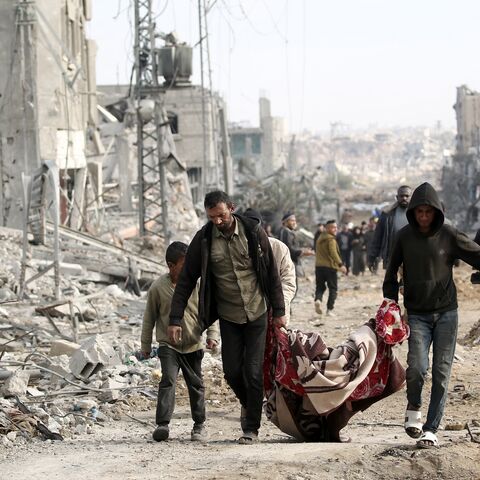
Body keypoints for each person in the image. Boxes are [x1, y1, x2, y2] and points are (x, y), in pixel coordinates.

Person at [168, 191, 286, 445]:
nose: (218, 221)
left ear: (231, 208)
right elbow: (187, 278)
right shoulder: (204, 239)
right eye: (212, 217)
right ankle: (249, 402)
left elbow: (271, 273)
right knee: (232, 372)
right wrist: (175, 318)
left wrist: (280, 312)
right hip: (229, 315)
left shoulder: (253, 232)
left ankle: (251, 428)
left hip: (257, 312)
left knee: (253, 372)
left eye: (221, 215)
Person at [383, 182, 480, 449]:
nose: (424, 217)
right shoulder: (404, 237)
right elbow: (391, 272)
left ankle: (431, 429)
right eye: (419, 212)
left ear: (436, 212)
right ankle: (413, 406)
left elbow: (476, 255)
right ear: (413, 212)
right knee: (417, 368)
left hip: (447, 313)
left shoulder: (449, 234)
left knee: (441, 372)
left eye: (428, 212)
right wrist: (389, 303)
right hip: (417, 314)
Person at [140, 241, 219, 442]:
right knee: (168, 381)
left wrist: (211, 336)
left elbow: (209, 312)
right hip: (169, 345)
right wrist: (146, 346)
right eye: (184, 265)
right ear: (171, 265)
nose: (189, 269)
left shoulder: (198, 284)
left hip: (193, 344)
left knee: (196, 384)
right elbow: (149, 318)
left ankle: (199, 425)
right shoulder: (158, 287)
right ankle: (162, 425)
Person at [244, 208, 296, 326]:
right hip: (248, 315)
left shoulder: (278, 248)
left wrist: (279, 304)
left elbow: (288, 282)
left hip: (276, 312)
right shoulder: (236, 250)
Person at [368, 185, 412, 269]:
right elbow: (378, 237)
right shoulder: (387, 214)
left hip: (412, 258)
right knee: (392, 281)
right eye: (402, 196)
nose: (404, 198)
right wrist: (372, 257)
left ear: (411, 197)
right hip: (392, 257)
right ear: (397, 197)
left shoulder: (418, 214)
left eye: (407, 196)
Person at [314, 220, 347, 316]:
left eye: (336, 227)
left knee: (320, 286)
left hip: (319, 267)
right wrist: (341, 265)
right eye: (333, 227)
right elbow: (333, 253)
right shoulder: (331, 240)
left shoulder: (320, 238)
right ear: (327, 228)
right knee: (333, 288)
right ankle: (329, 310)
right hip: (330, 268)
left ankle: (318, 300)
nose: (336, 229)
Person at [277, 212, 314, 277]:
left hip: (290, 263)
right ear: (285, 222)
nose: (294, 222)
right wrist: (302, 252)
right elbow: (288, 248)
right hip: (287, 264)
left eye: (295, 221)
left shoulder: (288, 232)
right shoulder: (285, 232)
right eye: (292, 220)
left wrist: (303, 250)